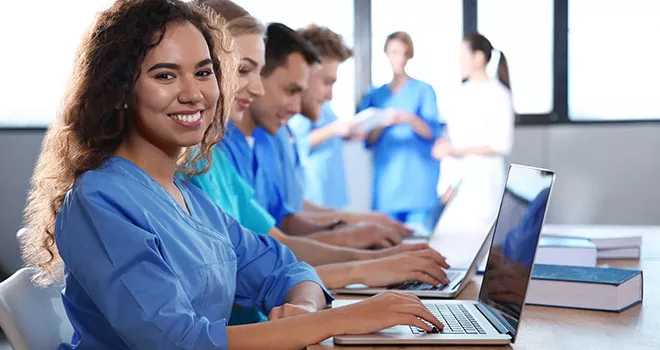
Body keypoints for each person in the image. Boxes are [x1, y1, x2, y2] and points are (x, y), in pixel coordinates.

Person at [19, 1, 443, 348]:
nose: (193, 92)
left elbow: (287, 270)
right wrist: (343, 320)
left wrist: (305, 309)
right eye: (165, 75)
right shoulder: (99, 201)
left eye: (204, 72)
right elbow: (177, 343)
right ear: (119, 90)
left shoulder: (187, 197)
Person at [189, 0, 449, 325]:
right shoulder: (210, 159)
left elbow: (271, 254)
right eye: (243, 71)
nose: (253, 88)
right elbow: (262, 263)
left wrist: (371, 258)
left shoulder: (215, 160)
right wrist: (367, 263)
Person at [222, 22, 411, 248]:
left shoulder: (265, 136)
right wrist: (351, 239)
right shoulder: (237, 144)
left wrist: (354, 228)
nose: (329, 95)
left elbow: (283, 219)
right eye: (326, 82)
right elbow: (267, 247)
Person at [431, 32, 514, 235]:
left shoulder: (498, 94)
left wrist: (455, 149)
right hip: (455, 183)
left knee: (476, 245)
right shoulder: (459, 92)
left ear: (478, 58)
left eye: (463, 55)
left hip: (483, 182)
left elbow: (501, 144)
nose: (459, 61)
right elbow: (453, 134)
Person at [359, 31, 442, 225]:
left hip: (418, 181)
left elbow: (432, 132)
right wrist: (383, 121)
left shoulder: (423, 90)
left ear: (409, 56)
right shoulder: (375, 95)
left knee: (421, 241)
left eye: (403, 53)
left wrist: (409, 118)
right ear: (386, 54)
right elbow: (367, 139)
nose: (398, 58)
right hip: (387, 183)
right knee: (385, 240)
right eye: (394, 52)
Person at [287, 25, 358, 209]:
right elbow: (300, 142)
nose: (330, 95)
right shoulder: (290, 119)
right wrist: (334, 130)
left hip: (329, 191)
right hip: (314, 188)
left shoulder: (321, 107)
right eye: (327, 82)